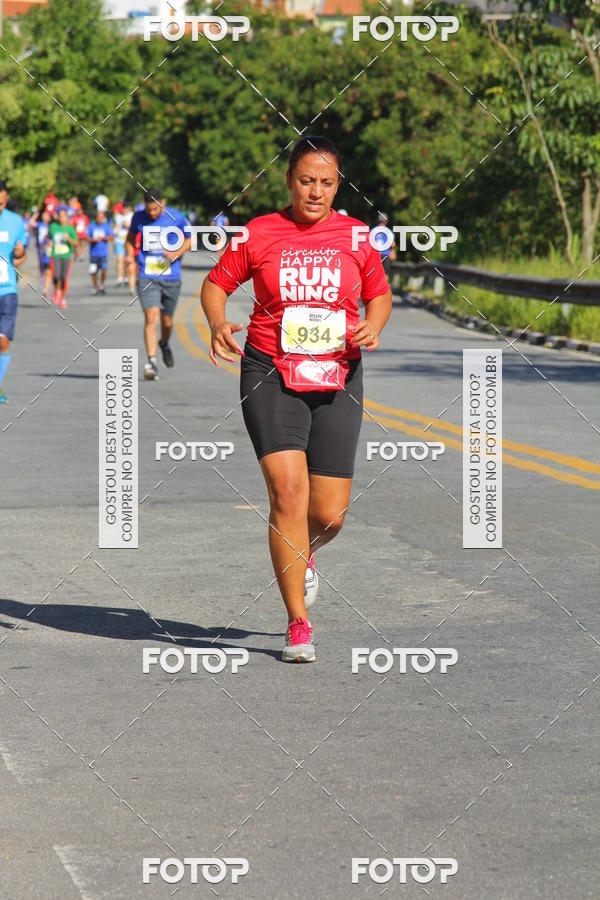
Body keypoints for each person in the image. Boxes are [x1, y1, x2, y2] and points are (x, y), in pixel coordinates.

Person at [201, 136, 392, 663]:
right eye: (306, 180)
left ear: (338, 186)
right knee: (288, 494)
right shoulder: (259, 232)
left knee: (329, 515)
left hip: (337, 375)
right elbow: (216, 284)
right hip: (270, 372)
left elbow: (378, 294)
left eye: (326, 183)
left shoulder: (356, 237)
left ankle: (302, 552)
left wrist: (373, 325)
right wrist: (217, 322)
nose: (315, 191)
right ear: (289, 181)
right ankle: (297, 623)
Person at [125, 188, 191, 380]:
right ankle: (152, 362)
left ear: (163, 203)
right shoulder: (138, 217)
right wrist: (129, 254)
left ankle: (164, 343)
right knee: (151, 317)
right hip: (147, 275)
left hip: (171, 277)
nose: (152, 213)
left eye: (155, 209)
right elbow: (130, 237)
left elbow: (190, 238)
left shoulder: (177, 217)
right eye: (149, 209)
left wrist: (177, 252)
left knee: (167, 322)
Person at [0, 180, 27, 404]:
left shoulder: (16, 222)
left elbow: (22, 256)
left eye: (1, 203)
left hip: (7, 289)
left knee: (3, 341)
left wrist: (19, 253)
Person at [49, 206, 78, 309]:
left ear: (67, 217)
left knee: (64, 278)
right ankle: (56, 291)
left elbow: (76, 243)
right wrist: (48, 243)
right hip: (55, 255)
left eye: (64, 216)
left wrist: (68, 238)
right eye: (60, 216)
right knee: (56, 276)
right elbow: (48, 237)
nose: (62, 218)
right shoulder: (53, 226)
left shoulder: (70, 229)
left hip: (66, 256)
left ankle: (62, 299)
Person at [86, 210, 114, 295]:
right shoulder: (91, 226)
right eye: (98, 217)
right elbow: (86, 237)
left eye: (101, 217)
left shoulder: (106, 226)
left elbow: (111, 237)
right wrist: (93, 240)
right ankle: (95, 287)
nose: (100, 219)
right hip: (93, 253)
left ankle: (102, 285)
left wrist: (104, 238)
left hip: (103, 253)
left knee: (104, 270)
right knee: (93, 271)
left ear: (103, 218)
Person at [113, 201, 132, 287]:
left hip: (128, 241)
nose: (124, 210)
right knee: (119, 259)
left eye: (126, 209)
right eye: (123, 209)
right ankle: (120, 278)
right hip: (119, 240)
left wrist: (128, 225)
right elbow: (114, 226)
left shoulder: (132, 215)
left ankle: (127, 278)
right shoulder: (117, 216)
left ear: (129, 209)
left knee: (127, 260)